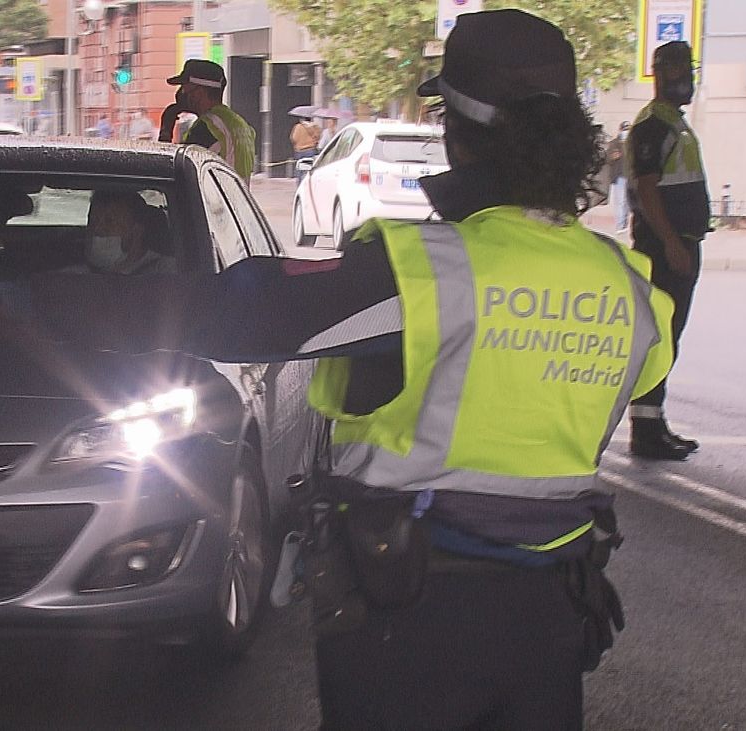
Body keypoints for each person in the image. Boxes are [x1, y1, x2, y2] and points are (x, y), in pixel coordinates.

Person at [34, 10, 674, 729]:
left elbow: (224, 314)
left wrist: (8, 296)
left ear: (456, 131)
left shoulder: (423, 273)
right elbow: (640, 373)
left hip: (413, 619)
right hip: (552, 620)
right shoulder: (628, 286)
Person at [626, 40, 711, 461]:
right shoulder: (654, 124)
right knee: (660, 339)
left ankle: (653, 422)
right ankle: (645, 431)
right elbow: (646, 187)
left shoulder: (674, 124)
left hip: (679, 246)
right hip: (666, 250)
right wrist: (671, 243)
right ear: (660, 73)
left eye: (688, 70)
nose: (686, 79)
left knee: (668, 339)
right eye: (678, 71)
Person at [158, 59, 256, 182]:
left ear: (198, 93)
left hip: (212, 200)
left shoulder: (207, 127)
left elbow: (175, 174)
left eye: (184, 88)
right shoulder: (240, 124)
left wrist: (166, 129)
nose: (180, 93)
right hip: (234, 199)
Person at [85, 190, 175, 275]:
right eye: (92, 220)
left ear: (136, 231)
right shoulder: (80, 275)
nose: (97, 229)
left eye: (110, 221)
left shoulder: (166, 272)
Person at [606, 121, 631, 231]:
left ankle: (624, 222)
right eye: (625, 129)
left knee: (627, 201)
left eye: (628, 129)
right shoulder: (614, 143)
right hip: (619, 175)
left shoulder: (633, 143)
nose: (626, 132)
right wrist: (613, 157)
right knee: (620, 200)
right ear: (620, 130)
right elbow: (607, 159)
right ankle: (621, 224)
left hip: (630, 176)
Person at [289, 115, 321, 180]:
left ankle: (300, 185)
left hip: (299, 151)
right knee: (309, 170)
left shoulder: (298, 126)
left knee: (299, 171)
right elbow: (318, 137)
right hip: (310, 150)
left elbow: (293, 138)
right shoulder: (315, 127)